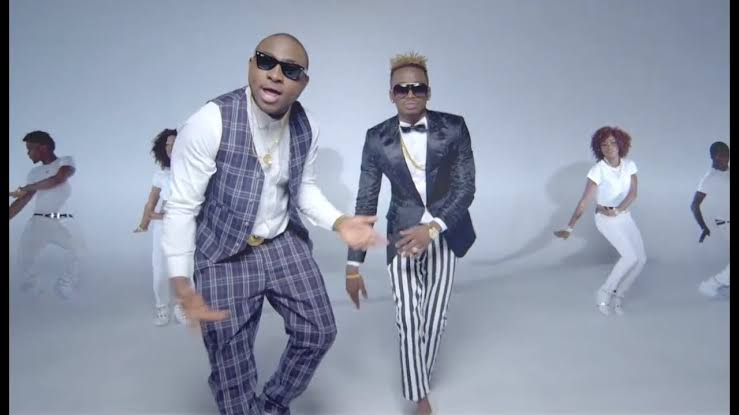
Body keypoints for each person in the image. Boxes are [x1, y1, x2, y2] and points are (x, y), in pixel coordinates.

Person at [162, 33, 384, 415]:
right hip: (224, 254)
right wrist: (182, 281)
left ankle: (272, 405)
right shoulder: (209, 122)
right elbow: (182, 206)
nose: (276, 75)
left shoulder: (307, 125)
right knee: (231, 368)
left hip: (282, 243)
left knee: (319, 332)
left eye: (290, 70)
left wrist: (339, 222)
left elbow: (304, 188)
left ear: (303, 83)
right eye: (266, 62)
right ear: (251, 65)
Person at [345, 52, 476, 415]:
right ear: (391, 94)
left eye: (418, 87)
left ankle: (419, 376)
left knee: (434, 318)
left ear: (428, 91)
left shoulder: (454, 127)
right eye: (402, 88)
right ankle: (420, 397)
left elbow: (465, 188)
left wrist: (432, 227)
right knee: (408, 318)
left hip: (445, 232)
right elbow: (366, 199)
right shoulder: (376, 138)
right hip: (400, 235)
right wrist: (354, 264)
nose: (410, 94)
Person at [554, 126, 647, 316]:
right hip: (605, 219)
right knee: (630, 257)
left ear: (621, 144)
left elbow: (633, 194)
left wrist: (618, 210)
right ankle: (603, 293)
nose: (609, 147)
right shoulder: (597, 170)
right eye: (604, 144)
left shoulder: (630, 165)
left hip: (624, 216)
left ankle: (619, 295)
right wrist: (570, 228)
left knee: (641, 259)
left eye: (613, 143)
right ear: (599, 148)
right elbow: (584, 201)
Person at [9, 130, 85, 300]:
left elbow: (58, 179)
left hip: (64, 221)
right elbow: (23, 201)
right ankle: (32, 289)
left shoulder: (65, 162)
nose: (28, 154)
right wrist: (24, 193)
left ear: (43, 147)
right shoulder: (34, 173)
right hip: (39, 222)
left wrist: (25, 188)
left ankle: (65, 284)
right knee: (24, 258)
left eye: (30, 149)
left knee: (79, 252)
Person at [134, 128, 189, 325]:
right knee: (160, 270)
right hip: (164, 228)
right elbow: (151, 202)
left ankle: (181, 306)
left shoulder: (194, 171)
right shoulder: (161, 175)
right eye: (168, 145)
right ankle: (162, 307)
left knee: (184, 269)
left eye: (175, 144)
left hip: (186, 226)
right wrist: (143, 224)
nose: (171, 148)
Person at [691, 141, 730, 297]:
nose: (727, 157)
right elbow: (694, 205)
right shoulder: (709, 179)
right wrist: (703, 227)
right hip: (726, 223)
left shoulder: (728, 172)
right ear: (714, 156)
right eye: (723, 154)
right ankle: (710, 285)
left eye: (728, 154)